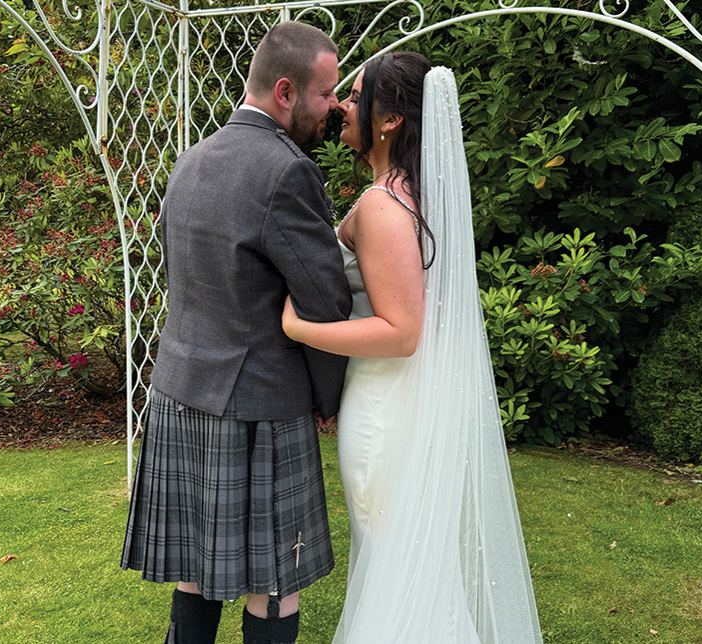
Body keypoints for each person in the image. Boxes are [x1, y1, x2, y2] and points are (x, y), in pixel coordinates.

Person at [282, 52, 543, 643]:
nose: (344, 108)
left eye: (355, 95)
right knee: (413, 560)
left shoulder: (383, 204)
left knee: (394, 558)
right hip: (409, 404)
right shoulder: (412, 196)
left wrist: (301, 330)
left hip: (385, 409)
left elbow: (401, 332)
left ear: (391, 118)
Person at [121, 22, 352, 644]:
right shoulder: (288, 171)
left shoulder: (192, 159)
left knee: (196, 570)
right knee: (274, 582)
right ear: (286, 91)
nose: (334, 107)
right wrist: (329, 400)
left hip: (178, 388)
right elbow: (326, 302)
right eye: (327, 94)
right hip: (258, 403)